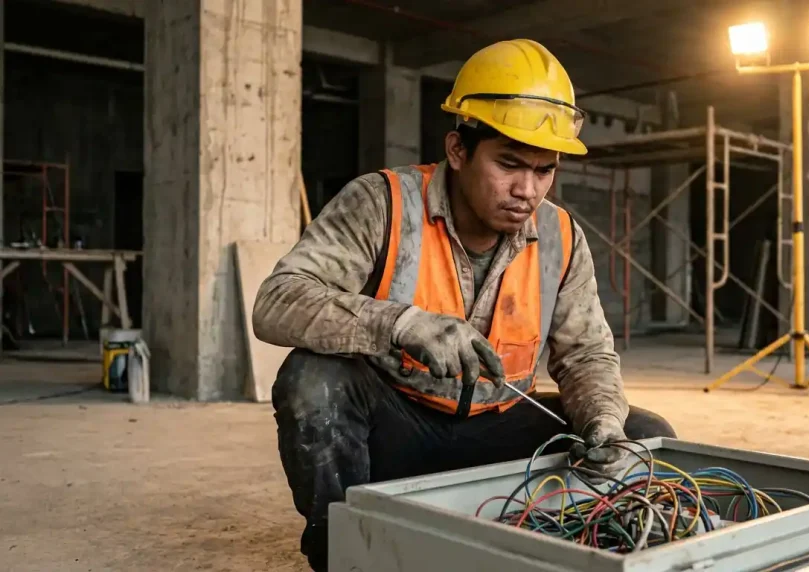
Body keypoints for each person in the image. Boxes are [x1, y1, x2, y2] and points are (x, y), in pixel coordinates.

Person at [252, 39, 676, 571]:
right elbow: (277, 300)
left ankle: (568, 550)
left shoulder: (563, 238)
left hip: (499, 428)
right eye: (510, 164)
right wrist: (401, 324)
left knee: (642, 437)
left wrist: (603, 423)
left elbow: (587, 355)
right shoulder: (381, 203)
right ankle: (345, 551)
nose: (528, 190)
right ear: (458, 150)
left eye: (545, 170)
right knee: (313, 382)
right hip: (395, 430)